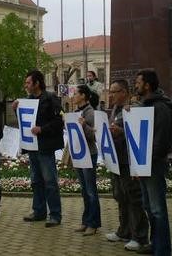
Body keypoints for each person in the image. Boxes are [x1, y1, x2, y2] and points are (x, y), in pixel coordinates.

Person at [13, 70, 64, 228]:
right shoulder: (27, 100)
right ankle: (39, 211)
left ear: (36, 83)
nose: (26, 86)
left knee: (50, 181)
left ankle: (55, 215)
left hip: (45, 146)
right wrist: (16, 110)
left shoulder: (50, 98)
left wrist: (42, 129)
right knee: (36, 181)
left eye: (28, 83)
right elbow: (25, 122)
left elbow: (59, 121)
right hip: (32, 147)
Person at [105, 80, 149, 252]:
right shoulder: (116, 109)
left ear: (124, 92)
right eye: (110, 92)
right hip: (116, 158)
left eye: (114, 92)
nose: (111, 95)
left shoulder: (135, 108)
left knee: (134, 198)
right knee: (120, 196)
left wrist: (121, 132)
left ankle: (140, 236)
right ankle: (124, 231)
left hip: (129, 160)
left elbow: (137, 134)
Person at [135, 69, 172, 256]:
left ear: (147, 85)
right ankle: (155, 243)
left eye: (138, 82)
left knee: (158, 209)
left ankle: (163, 249)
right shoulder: (144, 106)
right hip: (144, 163)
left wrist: (147, 161)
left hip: (154, 164)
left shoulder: (161, 107)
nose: (136, 85)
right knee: (149, 207)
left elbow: (163, 140)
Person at [72, 85, 101, 236]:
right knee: (84, 190)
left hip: (89, 154)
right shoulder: (77, 111)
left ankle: (93, 223)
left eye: (76, 93)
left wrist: (84, 125)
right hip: (79, 154)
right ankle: (86, 221)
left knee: (90, 191)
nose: (74, 96)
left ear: (83, 96)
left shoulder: (90, 113)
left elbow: (94, 136)